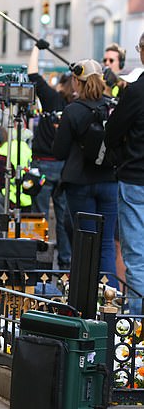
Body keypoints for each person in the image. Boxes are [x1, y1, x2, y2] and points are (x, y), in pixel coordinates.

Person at [52, 59, 118, 288]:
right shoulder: (113, 107)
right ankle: (111, 301)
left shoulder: (72, 110)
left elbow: (59, 152)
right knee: (106, 243)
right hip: (110, 180)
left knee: (84, 242)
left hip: (79, 182)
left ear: (76, 82)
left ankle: (84, 299)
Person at [105, 31, 144, 313]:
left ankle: (138, 325)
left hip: (135, 180)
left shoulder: (137, 91)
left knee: (136, 256)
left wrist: (121, 159)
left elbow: (113, 132)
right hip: (133, 178)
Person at [27, 44, 74, 269]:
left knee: (40, 216)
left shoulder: (52, 99)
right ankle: (66, 264)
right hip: (66, 167)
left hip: (44, 164)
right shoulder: (78, 106)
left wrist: (37, 48)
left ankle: (40, 264)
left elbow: (33, 74)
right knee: (64, 218)